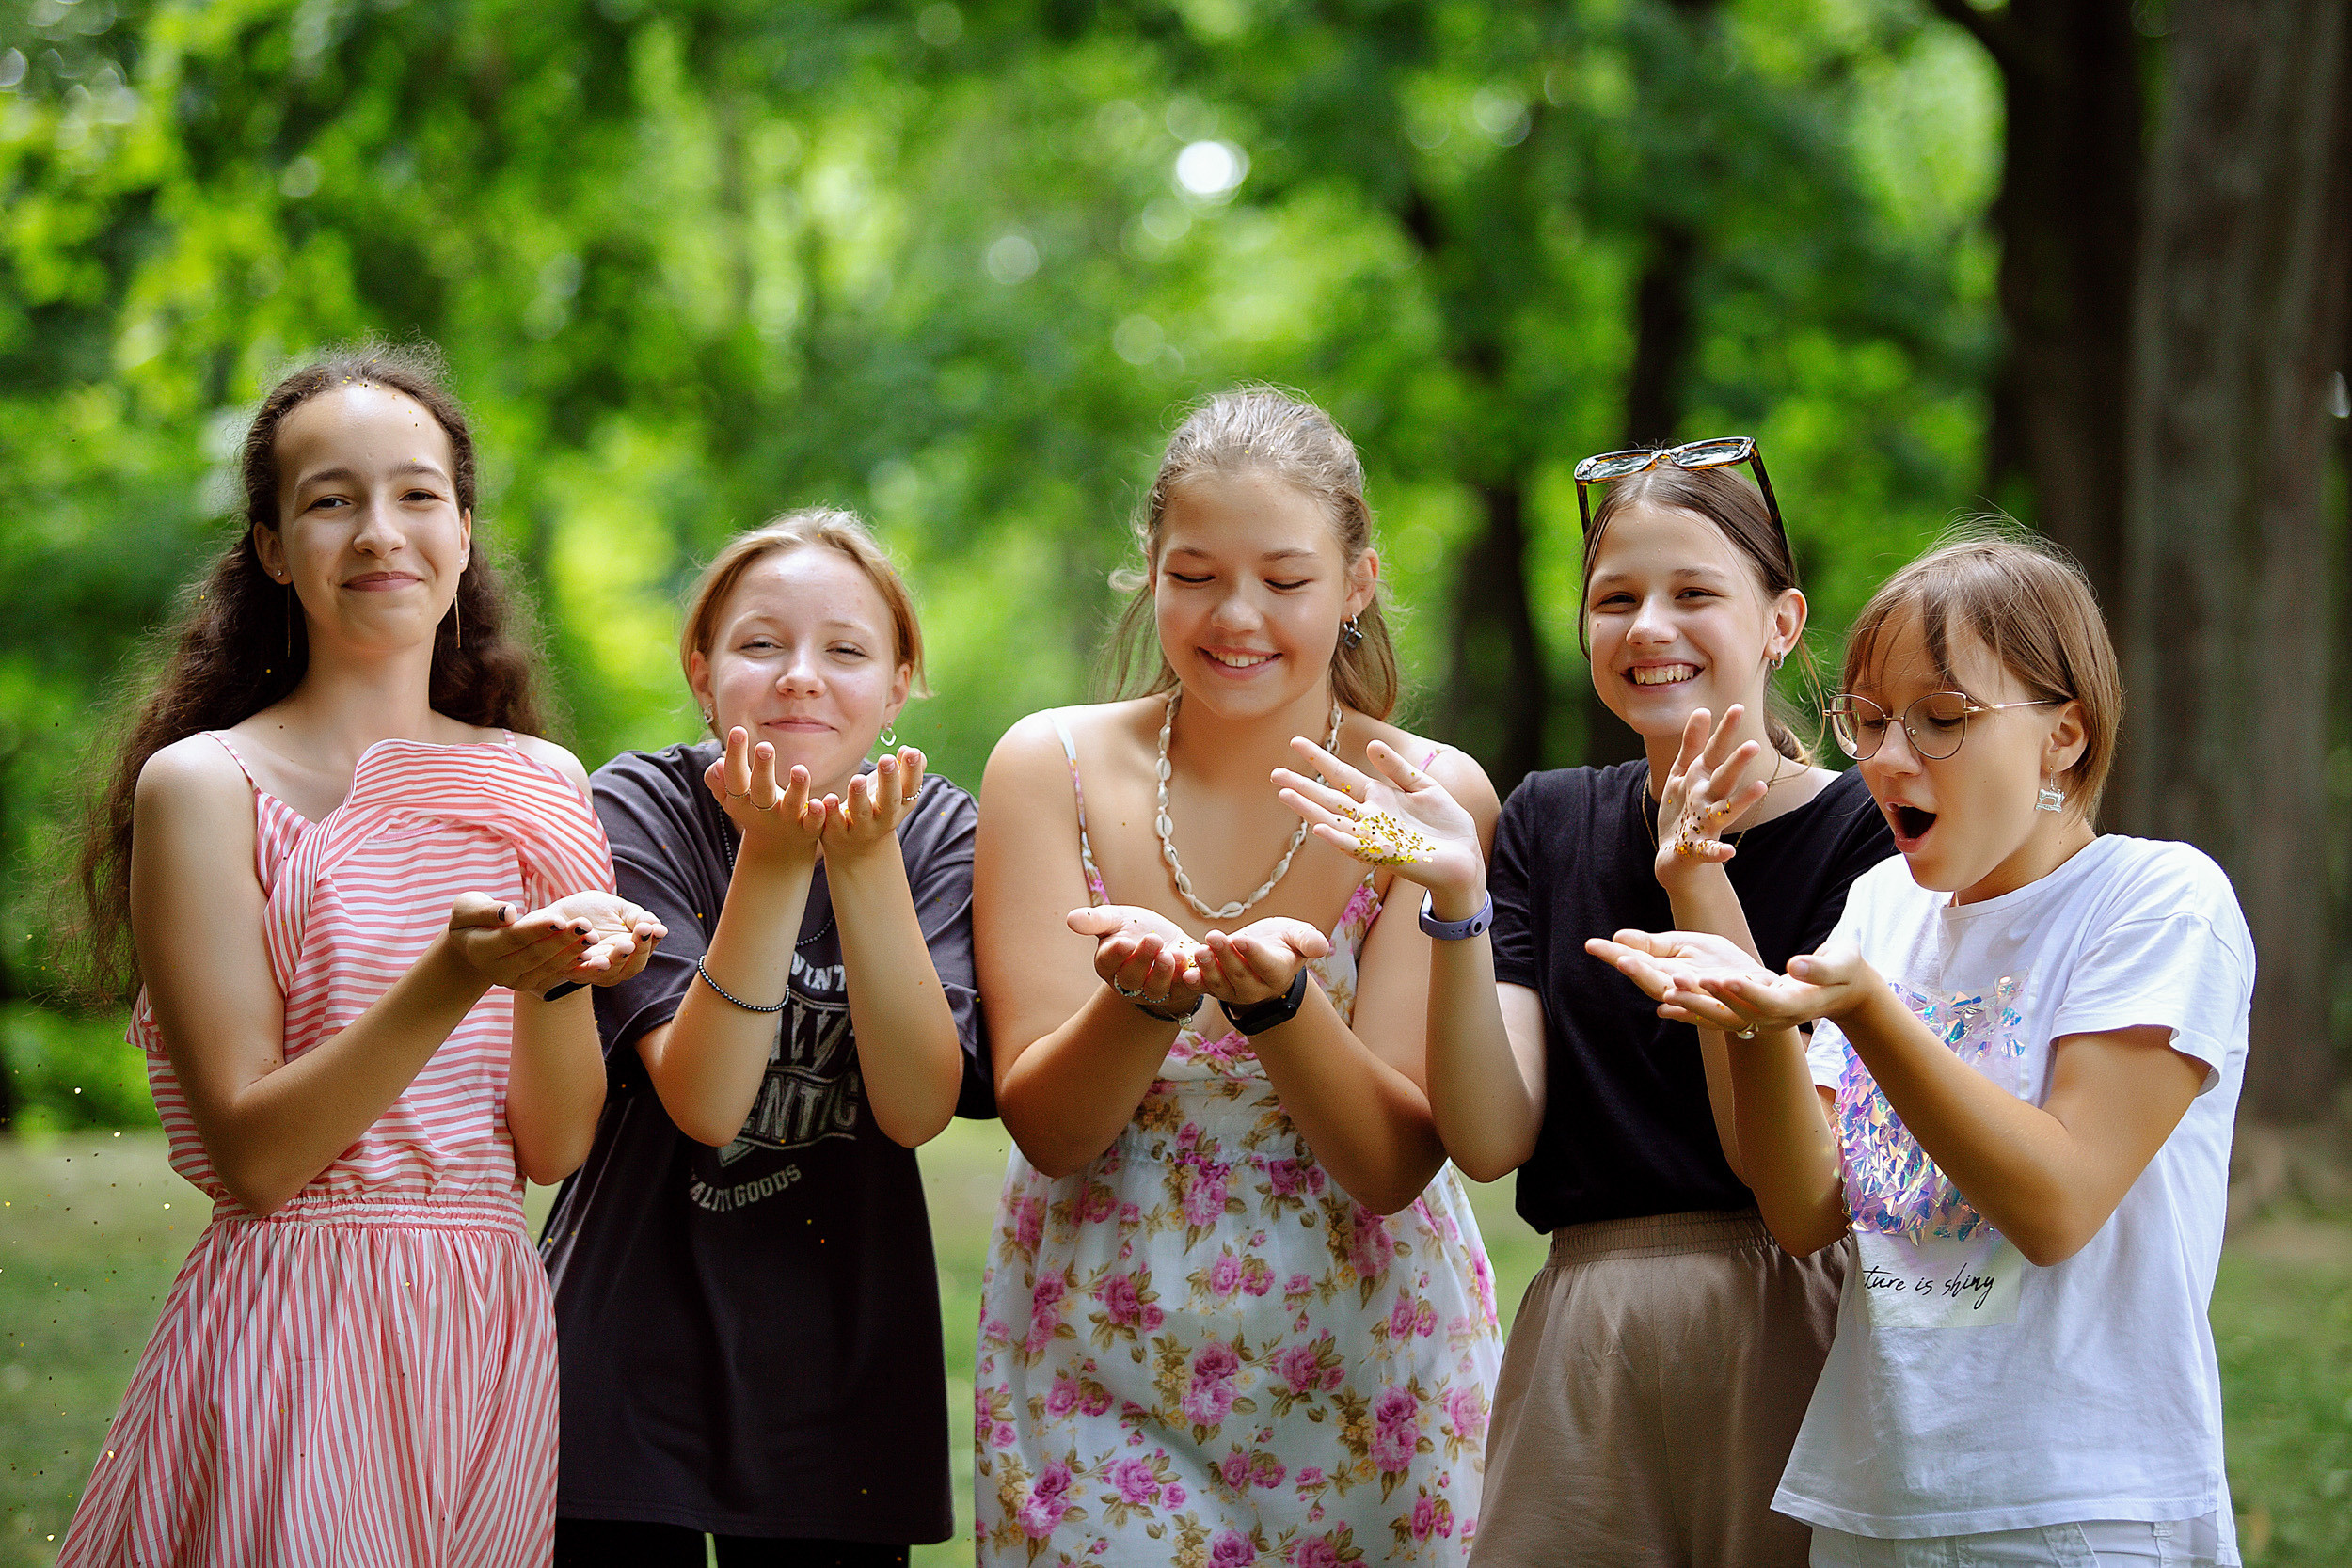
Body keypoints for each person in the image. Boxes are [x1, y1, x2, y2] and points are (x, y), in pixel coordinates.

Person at [59, 343, 660, 1568]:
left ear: (464, 530)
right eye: (332, 498)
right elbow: (259, 1157)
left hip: (486, 1324)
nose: (381, 530)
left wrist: (552, 974)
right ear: (274, 548)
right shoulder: (207, 785)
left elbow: (551, 1145)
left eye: (417, 493)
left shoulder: (537, 781)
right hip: (301, 1318)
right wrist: (452, 978)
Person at [1279, 443, 1895, 1567]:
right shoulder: (1549, 818)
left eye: (1693, 592)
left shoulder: (1867, 835)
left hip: (1796, 1309)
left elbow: (1776, 1160)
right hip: (1583, 1319)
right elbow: (1489, 1133)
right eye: (1615, 598)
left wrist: (1695, 875)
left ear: (1782, 620)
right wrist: (1454, 894)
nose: (1647, 625)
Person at [1593, 532, 2250, 1568]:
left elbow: (2056, 1204)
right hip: (1875, 1494)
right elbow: (1804, 1208)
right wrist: (1756, 1017)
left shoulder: (2158, 900)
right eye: (1868, 722)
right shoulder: (1880, 905)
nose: (1889, 759)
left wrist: (1866, 1013)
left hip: (2086, 1503)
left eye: (1942, 719)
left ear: (2062, 737)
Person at [972, 388, 1503, 1566]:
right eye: (1196, 574)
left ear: (1357, 582)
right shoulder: (1044, 764)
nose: (1237, 615)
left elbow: (1392, 1159)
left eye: (1285, 577)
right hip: (1097, 1346)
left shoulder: (1429, 797)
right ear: (1149, 572)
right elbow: (1050, 1127)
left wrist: (1276, 1005)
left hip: (1372, 1362)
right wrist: (1143, 1001)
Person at [540, 508, 987, 1568]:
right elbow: (705, 1100)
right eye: (759, 643)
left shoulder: (937, 836)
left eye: (844, 650)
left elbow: (918, 1105)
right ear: (702, 671)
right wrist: (779, 859)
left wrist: (863, 860)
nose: (799, 676)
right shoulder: (637, 805)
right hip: (621, 1365)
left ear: (899, 680)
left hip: (843, 1374)